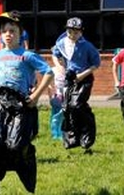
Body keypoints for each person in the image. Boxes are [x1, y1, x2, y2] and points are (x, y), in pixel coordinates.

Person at [0, 12, 53, 194]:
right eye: (4, 32)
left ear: (20, 34)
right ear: (0, 35)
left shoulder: (27, 55)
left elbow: (49, 73)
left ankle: (27, 161)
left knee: (15, 145)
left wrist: (35, 97)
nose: (8, 34)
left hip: (20, 105)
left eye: (12, 31)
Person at [52, 17, 101, 154]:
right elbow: (55, 54)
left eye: (76, 32)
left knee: (77, 105)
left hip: (84, 78)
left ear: (81, 32)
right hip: (70, 78)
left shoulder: (87, 46)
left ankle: (87, 134)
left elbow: (96, 64)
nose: (73, 35)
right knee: (67, 108)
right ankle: (72, 139)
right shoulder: (61, 43)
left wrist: (82, 76)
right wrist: (59, 66)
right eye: (70, 32)